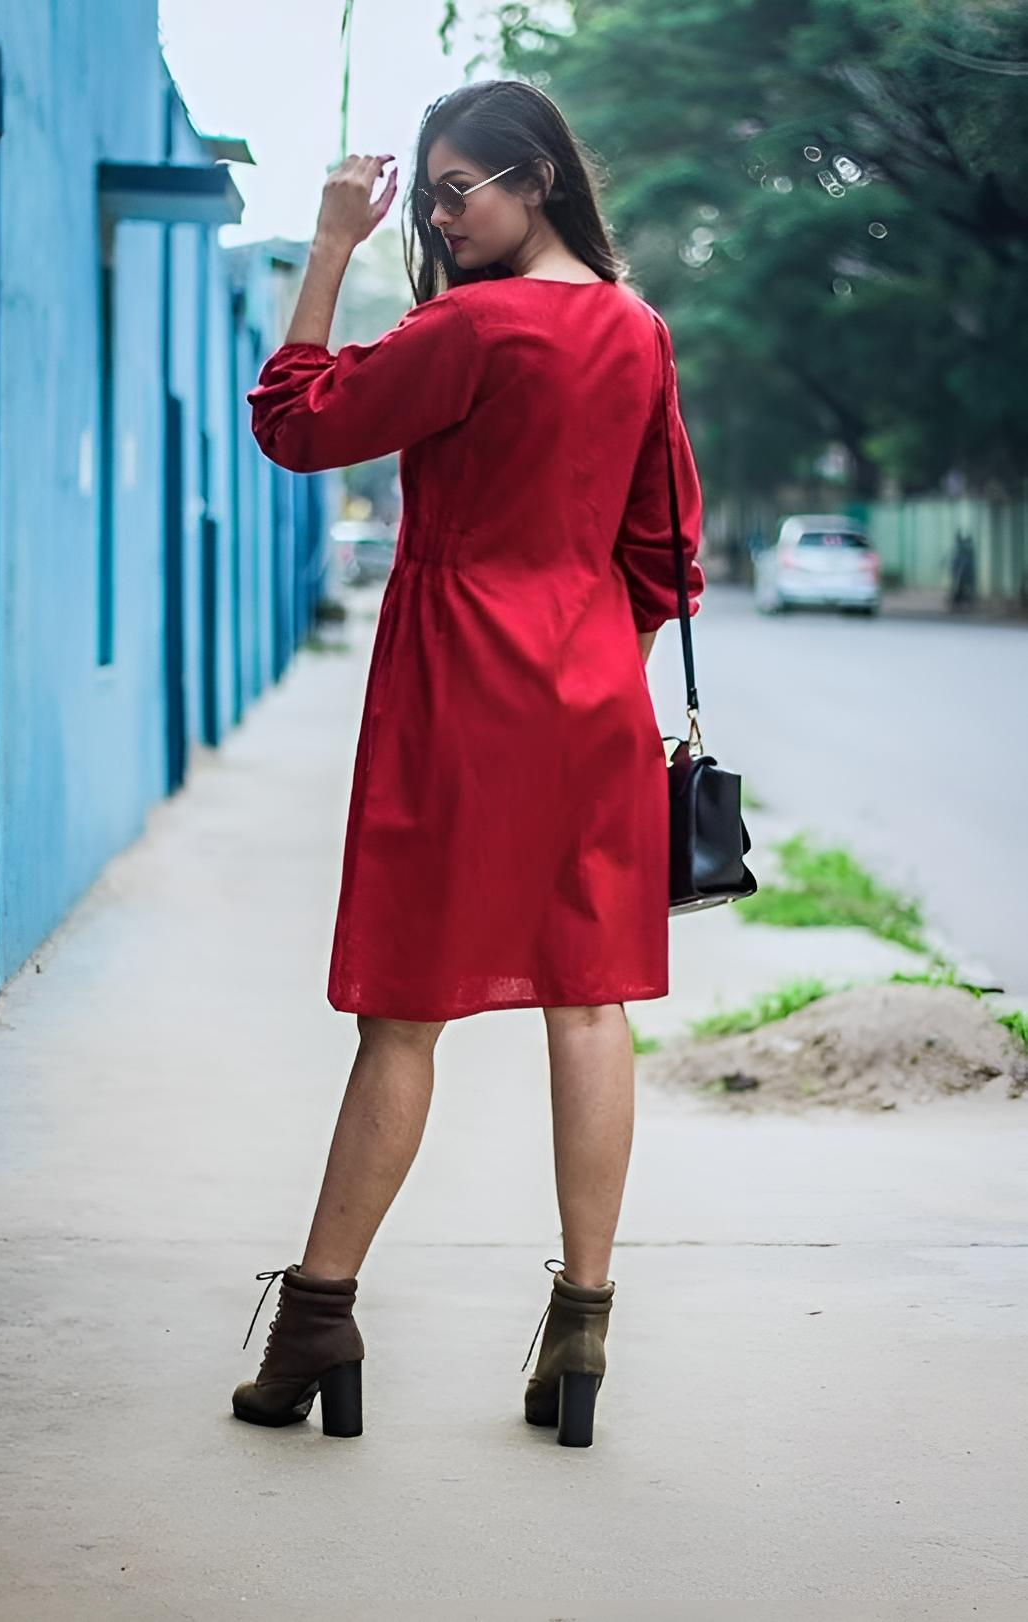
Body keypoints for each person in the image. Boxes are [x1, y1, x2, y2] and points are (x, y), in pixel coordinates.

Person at [232, 80, 705, 1448]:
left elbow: (296, 421)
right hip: (590, 698)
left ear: (533, 179)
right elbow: (665, 552)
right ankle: (582, 1328)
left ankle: (318, 1320)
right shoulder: (635, 329)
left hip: (456, 688)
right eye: (424, 195)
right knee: (588, 999)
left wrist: (328, 244)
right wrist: (575, 636)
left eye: (454, 190)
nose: (436, 215)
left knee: (404, 1009)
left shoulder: (470, 325)